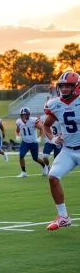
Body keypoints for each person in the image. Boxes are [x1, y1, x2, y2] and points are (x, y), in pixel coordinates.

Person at [43, 71, 80, 230]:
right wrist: (52, 138)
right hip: (68, 149)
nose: (64, 89)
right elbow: (46, 125)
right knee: (52, 177)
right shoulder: (55, 104)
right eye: (62, 86)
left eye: (68, 86)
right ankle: (63, 217)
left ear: (77, 87)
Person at [15, 107, 48, 178]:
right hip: (25, 142)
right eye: (23, 115)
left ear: (29, 114)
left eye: (25, 114)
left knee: (35, 158)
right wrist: (17, 135)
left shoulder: (33, 120)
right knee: (21, 155)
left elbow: (42, 128)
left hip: (33, 142)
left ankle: (44, 166)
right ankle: (24, 172)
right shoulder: (18, 121)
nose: (24, 116)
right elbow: (17, 130)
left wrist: (39, 137)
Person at [40, 107, 62, 171]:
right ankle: (48, 166)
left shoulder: (59, 117)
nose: (47, 112)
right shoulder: (43, 118)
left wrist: (61, 135)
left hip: (58, 140)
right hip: (49, 140)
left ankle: (55, 171)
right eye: (46, 111)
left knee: (57, 159)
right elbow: (43, 127)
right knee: (44, 156)